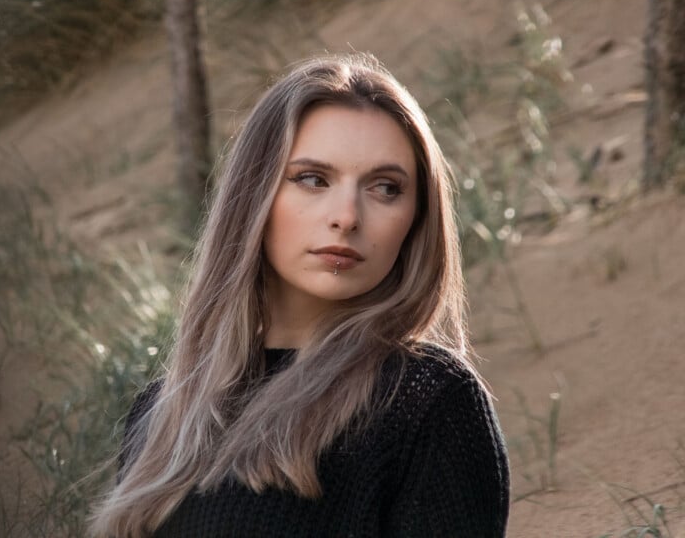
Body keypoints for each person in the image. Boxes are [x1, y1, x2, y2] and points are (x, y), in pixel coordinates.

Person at [90, 53, 510, 537]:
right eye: (313, 179)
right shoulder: (161, 412)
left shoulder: (426, 401)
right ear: (255, 197)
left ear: (416, 221)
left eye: (385, 188)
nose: (347, 216)